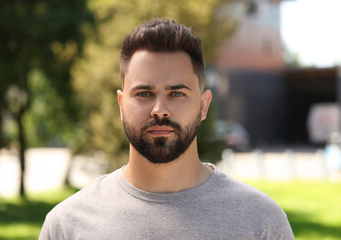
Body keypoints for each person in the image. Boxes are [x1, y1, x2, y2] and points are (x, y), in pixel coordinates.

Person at [39, 18, 294, 240]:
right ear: (120, 104)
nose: (160, 109)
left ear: (204, 106)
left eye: (177, 93)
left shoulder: (262, 222)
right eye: (144, 93)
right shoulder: (66, 225)